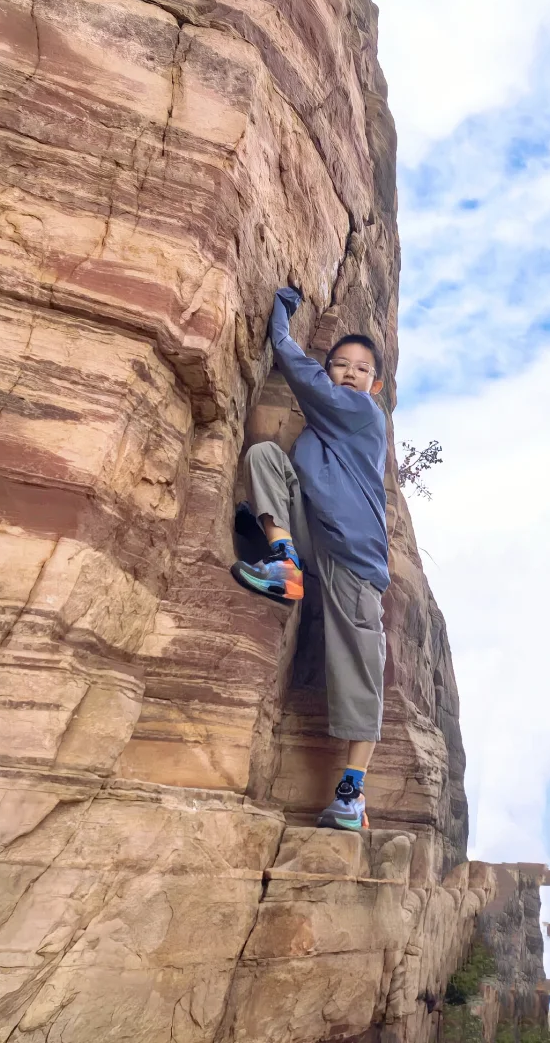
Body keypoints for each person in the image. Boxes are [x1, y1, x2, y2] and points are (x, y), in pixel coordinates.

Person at [231, 286, 389, 832]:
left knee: (358, 671)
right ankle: (283, 562)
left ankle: (351, 794)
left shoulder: (363, 414)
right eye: (340, 364)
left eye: (362, 368)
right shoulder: (316, 436)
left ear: (375, 385)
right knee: (265, 456)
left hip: (354, 558)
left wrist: (280, 324)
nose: (350, 374)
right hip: (311, 537)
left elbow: (302, 373)